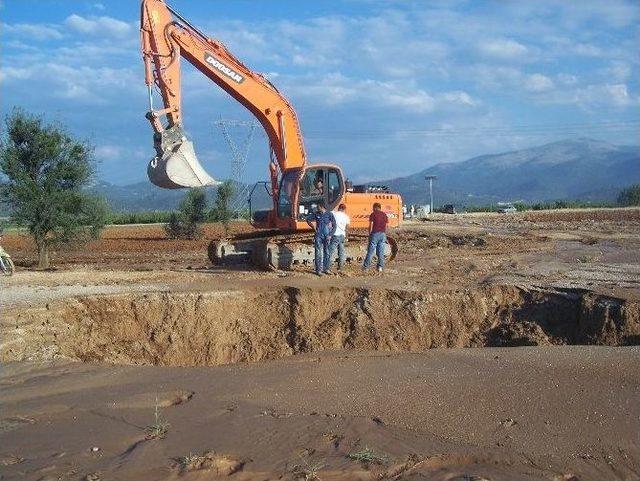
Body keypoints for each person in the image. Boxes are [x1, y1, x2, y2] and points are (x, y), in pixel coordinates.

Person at [306, 202, 336, 275]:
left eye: (318, 207)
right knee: (318, 253)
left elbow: (335, 225)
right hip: (318, 235)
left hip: (327, 236)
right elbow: (308, 219)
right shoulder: (316, 214)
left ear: (322, 207)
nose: (317, 208)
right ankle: (318, 270)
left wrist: (330, 234)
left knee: (327, 252)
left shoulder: (329, 214)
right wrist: (313, 227)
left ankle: (327, 269)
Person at [363, 202, 388, 273]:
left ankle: (366, 267)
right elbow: (386, 226)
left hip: (375, 234)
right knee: (381, 252)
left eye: (373, 208)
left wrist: (369, 233)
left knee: (370, 252)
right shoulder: (384, 214)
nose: (372, 209)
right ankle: (380, 267)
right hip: (383, 234)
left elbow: (371, 225)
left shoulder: (373, 214)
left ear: (375, 207)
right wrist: (384, 233)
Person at [328, 203, 350, 271]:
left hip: (335, 235)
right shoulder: (346, 217)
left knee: (330, 251)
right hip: (342, 235)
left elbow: (329, 211)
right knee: (341, 252)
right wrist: (346, 237)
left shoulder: (334, 214)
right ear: (344, 209)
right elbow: (347, 228)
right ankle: (340, 267)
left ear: (338, 208)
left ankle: (327, 267)